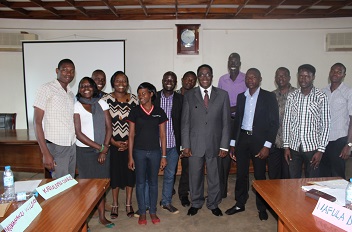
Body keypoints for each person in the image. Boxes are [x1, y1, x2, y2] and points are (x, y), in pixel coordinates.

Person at [225, 68, 279, 221]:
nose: (250, 79)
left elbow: (274, 123)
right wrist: (233, 144)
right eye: (248, 77)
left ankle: (262, 207)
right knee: (241, 174)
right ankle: (239, 203)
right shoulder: (241, 97)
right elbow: (237, 122)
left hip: (260, 142)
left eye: (253, 77)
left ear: (259, 79)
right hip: (242, 140)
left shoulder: (269, 97)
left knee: (260, 175)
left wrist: (267, 146)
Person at [181, 64, 231, 217]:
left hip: (215, 144)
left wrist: (224, 146)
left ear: (212, 76)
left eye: (207, 74)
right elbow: (185, 123)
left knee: (214, 176)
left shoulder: (222, 95)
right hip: (195, 144)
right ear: (198, 77)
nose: (204, 77)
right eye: (201, 74)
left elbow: (226, 122)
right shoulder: (190, 95)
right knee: (194, 175)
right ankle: (196, 202)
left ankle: (213, 203)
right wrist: (186, 145)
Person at [73, 77, 114, 228]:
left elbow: (109, 128)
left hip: (103, 150)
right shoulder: (76, 106)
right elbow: (78, 133)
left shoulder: (102, 103)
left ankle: (102, 217)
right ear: (79, 89)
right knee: (86, 187)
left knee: (101, 186)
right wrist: (100, 148)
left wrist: (104, 149)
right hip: (84, 152)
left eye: (89, 85)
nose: (86, 88)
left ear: (94, 88)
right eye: (82, 86)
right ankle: (85, 222)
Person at [127, 82, 167, 225]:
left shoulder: (159, 111)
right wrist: (130, 156)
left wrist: (164, 156)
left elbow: (163, 135)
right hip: (139, 153)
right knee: (140, 183)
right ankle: (142, 212)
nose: (141, 97)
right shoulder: (135, 111)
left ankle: (153, 211)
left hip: (156, 153)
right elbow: (131, 135)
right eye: (139, 94)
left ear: (151, 94)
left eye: (144, 93)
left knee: (153, 183)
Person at [101, 71, 138, 219]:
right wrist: (113, 142)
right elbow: (102, 125)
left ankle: (128, 203)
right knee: (114, 175)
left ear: (127, 83)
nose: (121, 83)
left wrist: (129, 142)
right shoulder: (105, 99)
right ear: (112, 83)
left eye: (124, 81)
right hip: (112, 143)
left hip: (131, 143)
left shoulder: (134, 100)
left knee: (130, 174)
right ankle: (115, 204)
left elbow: (138, 123)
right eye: (117, 81)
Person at [283, 64, 330, 178]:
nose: (303, 79)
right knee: (293, 180)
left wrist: (321, 150)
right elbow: (287, 121)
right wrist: (286, 146)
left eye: (307, 76)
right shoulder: (292, 96)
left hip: (312, 148)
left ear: (313, 77)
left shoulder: (321, 97)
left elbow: (326, 124)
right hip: (294, 147)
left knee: (312, 182)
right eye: (301, 76)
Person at [33, 58, 76, 179]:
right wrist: (45, 153)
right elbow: (37, 122)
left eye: (72, 71)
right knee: (60, 186)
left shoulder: (71, 94)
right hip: (56, 146)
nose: (68, 73)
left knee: (70, 182)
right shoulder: (46, 89)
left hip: (71, 144)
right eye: (65, 70)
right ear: (57, 71)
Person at [217, 52, 247, 198]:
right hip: (226, 122)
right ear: (228, 63)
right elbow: (218, 100)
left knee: (241, 158)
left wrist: (233, 108)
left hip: (242, 123)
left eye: (236, 61)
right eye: (231, 61)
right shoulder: (222, 80)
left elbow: (249, 101)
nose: (233, 63)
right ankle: (222, 191)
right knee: (224, 158)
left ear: (240, 63)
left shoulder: (246, 78)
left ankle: (241, 194)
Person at [154, 71, 183, 214]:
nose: (169, 82)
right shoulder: (154, 97)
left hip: (173, 145)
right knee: (151, 176)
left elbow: (184, 123)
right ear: (162, 81)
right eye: (166, 79)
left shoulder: (180, 99)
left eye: (172, 80)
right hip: (155, 145)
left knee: (170, 175)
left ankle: (166, 202)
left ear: (176, 82)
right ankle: (149, 203)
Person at [320, 63, 352, 178]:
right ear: (329, 72)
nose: (335, 73)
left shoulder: (349, 92)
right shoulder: (323, 91)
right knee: (323, 175)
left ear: (344, 75)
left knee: (337, 176)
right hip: (323, 141)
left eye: (339, 72)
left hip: (340, 140)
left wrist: (349, 145)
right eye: (333, 70)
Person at [268, 67, 296, 179]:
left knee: (287, 175)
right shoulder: (270, 96)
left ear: (289, 77)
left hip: (291, 144)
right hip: (274, 142)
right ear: (275, 78)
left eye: (284, 75)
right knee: (273, 176)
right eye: (278, 76)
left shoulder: (297, 94)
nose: (281, 78)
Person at [177, 71, 197, 207]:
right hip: (175, 136)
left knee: (188, 167)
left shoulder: (196, 96)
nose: (189, 82)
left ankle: (185, 193)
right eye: (187, 79)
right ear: (182, 79)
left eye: (192, 80)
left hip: (191, 137)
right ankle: (179, 191)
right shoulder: (175, 95)